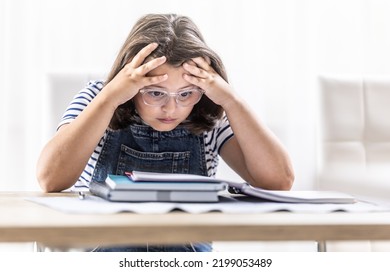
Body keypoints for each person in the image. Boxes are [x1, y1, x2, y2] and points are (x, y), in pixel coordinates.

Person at [36, 13, 294, 252]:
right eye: (155, 92)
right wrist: (109, 98)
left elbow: (279, 182)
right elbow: (50, 179)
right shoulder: (97, 98)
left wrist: (232, 101)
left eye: (185, 93)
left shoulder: (211, 112)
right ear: (129, 82)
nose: (171, 107)